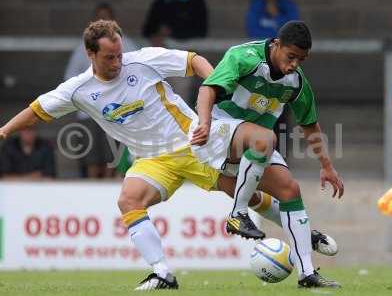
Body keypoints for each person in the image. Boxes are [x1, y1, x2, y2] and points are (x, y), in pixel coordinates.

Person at [0, 20, 337, 291]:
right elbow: (37, 110)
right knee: (129, 200)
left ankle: (304, 235)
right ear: (90, 54)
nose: (118, 61)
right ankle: (163, 274)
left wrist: (219, 82)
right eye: (109, 57)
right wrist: (3, 132)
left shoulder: (142, 59)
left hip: (192, 142)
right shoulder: (77, 90)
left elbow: (192, 61)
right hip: (150, 160)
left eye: (119, 54)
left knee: (249, 191)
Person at [192, 21, 344, 288]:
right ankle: (237, 214)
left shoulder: (296, 83)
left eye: (302, 59)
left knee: (289, 190)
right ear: (276, 45)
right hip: (215, 133)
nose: (295, 63)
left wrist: (327, 166)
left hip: (254, 144)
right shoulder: (244, 57)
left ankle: (307, 274)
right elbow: (208, 89)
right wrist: (203, 122)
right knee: (265, 139)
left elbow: (309, 125)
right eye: (291, 56)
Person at [64, 1, 138, 178]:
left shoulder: (126, 44)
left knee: (113, 160)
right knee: (91, 160)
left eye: (107, 17)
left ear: (114, 21)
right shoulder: (83, 48)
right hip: (89, 114)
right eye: (99, 17)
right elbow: (70, 78)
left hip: (118, 112)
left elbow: (137, 76)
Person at [142, 0, 208, 47]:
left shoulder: (197, 2)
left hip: (188, 48)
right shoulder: (160, 2)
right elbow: (147, 31)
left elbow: (201, 32)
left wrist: (172, 32)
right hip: (163, 50)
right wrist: (156, 34)